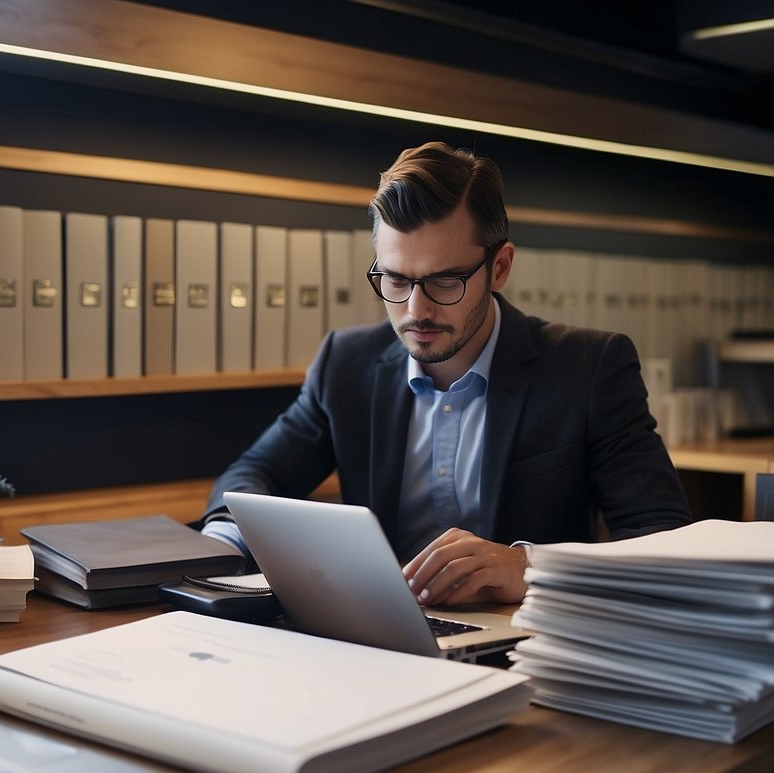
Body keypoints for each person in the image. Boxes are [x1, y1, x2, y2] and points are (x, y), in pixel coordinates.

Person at [200, 141, 692, 607]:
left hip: (532, 647)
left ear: (499, 268)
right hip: (385, 639)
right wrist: (218, 554)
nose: (416, 310)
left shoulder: (589, 367)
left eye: (444, 281)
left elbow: (666, 541)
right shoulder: (345, 363)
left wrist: (528, 565)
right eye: (395, 279)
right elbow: (251, 477)